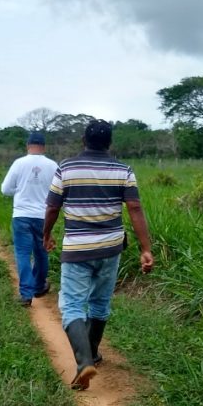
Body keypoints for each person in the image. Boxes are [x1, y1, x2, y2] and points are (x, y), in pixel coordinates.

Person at [43, 119, 154, 391]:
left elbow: (53, 207)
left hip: (77, 249)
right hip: (110, 248)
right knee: (100, 303)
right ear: (110, 142)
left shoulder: (66, 168)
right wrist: (145, 248)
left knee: (71, 305)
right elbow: (135, 208)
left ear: (84, 139)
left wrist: (45, 234)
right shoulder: (123, 170)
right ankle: (92, 353)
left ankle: (84, 362)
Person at [0, 131, 58, 306]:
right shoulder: (53, 165)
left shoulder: (19, 163)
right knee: (41, 253)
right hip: (43, 216)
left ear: (28, 145)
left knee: (23, 254)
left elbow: (5, 189)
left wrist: (19, 191)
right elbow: (58, 192)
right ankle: (39, 285)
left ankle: (26, 294)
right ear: (44, 147)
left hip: (21, 215)